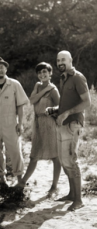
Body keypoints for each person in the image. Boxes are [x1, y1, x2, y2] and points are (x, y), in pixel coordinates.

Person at [49, 50, 91, 211]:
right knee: (64, 160)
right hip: (63, 124)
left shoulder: (78, 77)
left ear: (71, 60)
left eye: (63, 59)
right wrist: (56, 110)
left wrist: (67, 113)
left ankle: (78, 200)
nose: (60, 62)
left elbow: (87, 102)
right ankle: (72, 194)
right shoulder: (63, 78)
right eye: (58, 60)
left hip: (73, 124)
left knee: (71, 161)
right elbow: (67, 103)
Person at [0, 56, 29, 186]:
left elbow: (20, 106)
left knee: (15, 150)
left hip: (10, 122)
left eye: (1, 68)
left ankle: (19, 180)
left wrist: (20, 123)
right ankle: (2, 179)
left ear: (6, 69)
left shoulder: (14, 84)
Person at [17, 62, 61, 195]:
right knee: (34, 155)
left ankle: (54, 186)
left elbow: (60, 107)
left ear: (50, 73)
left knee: (55, 156)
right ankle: (22, 182)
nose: (42, 75)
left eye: (45, 72)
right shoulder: (38, 85)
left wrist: (51, 113)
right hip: (37, 123)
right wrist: (45, 90)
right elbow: (32, 100)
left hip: (49, 123)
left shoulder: (54, 90)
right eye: (40, 72)